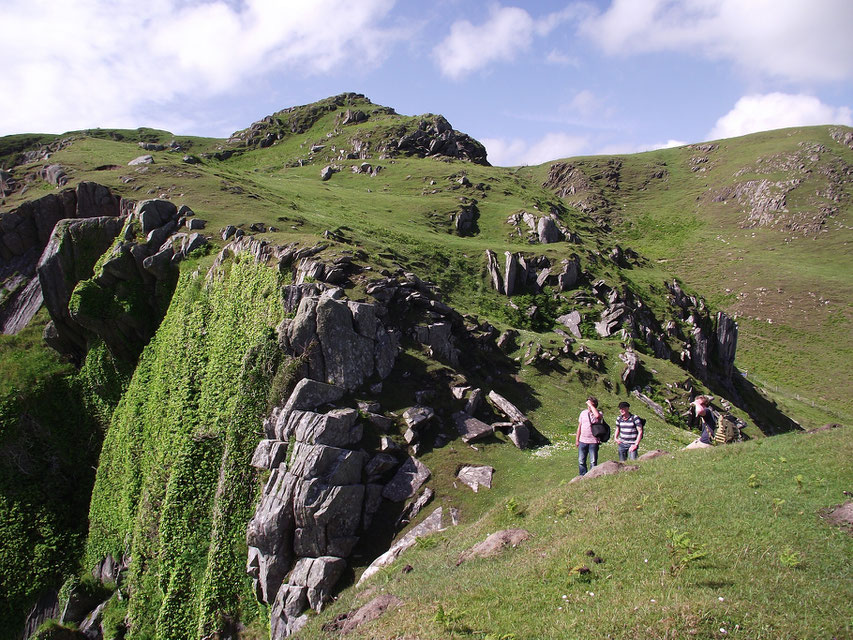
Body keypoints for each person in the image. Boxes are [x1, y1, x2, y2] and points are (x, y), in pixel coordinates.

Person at [575, 396, 601, 475]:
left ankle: (592, 476)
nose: (588, 406)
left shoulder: (598, 413)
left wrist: (591, 406)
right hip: (582, 441)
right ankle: (582, 476)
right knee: (581, 461)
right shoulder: (583, 413)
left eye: (590, 404)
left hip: (593, 441)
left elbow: (597, 416)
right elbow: (579, 426)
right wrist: (577, 439)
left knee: (593, 461)